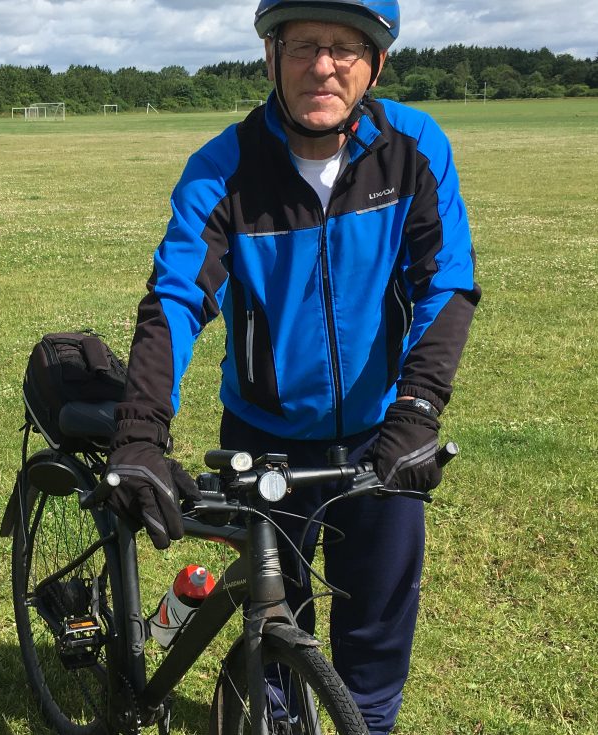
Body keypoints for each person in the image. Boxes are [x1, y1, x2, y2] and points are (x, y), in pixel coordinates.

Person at [104, 0, 481, 732]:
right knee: (271, 629)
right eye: (303, 43)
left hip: (381, 434)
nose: (322, 65)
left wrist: (417, 412)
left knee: (374, 631)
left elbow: (448, 282)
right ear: (270, 54)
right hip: (263, 435)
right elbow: (176, 298)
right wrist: (141, 429)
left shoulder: (412, 147)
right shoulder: (223, 168)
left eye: (345, 46)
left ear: (376, 61)